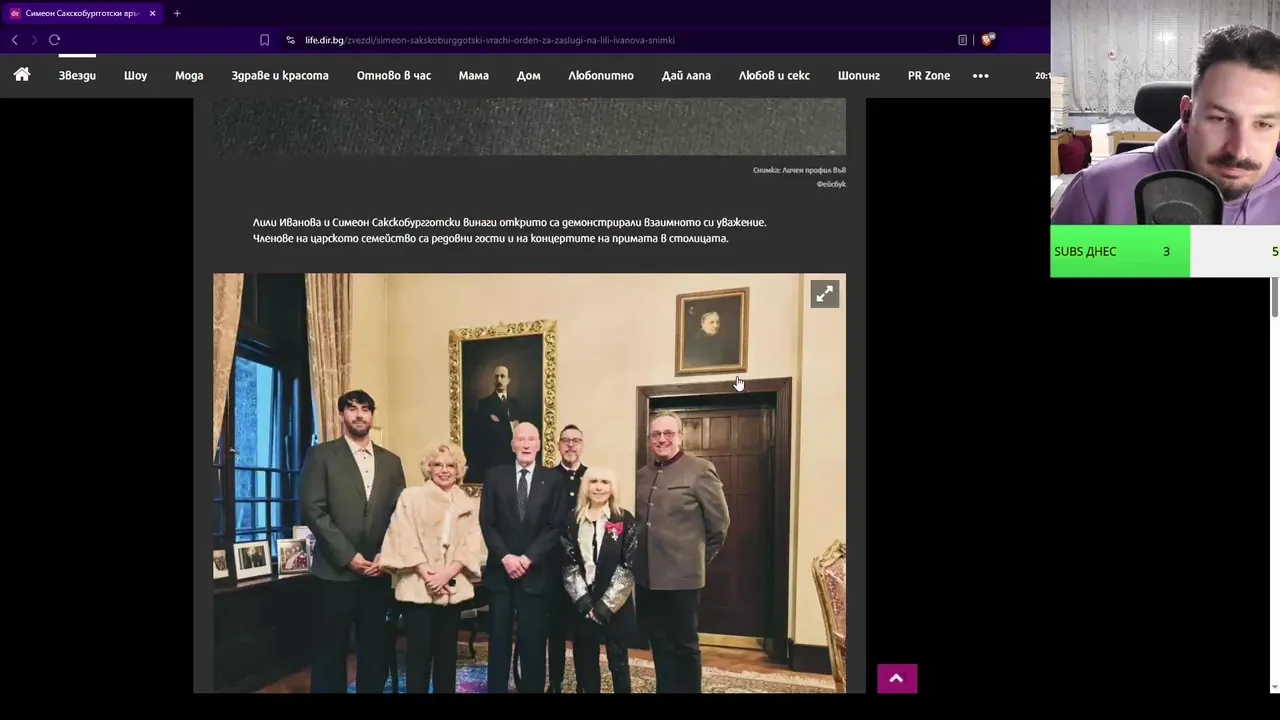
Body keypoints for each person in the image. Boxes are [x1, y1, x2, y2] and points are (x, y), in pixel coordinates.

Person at [1052, 24, 1280, 225]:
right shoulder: (1097, 190)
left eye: (1263, 124)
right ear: (1186, 114)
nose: (1239, 151)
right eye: (1220, 119)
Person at [299, 390, 408, 694]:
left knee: (375, 649)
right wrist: (348, 556)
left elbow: (400, 514)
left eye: (365, 409)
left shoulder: (392, 462)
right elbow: (313, 510)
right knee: (330, 650)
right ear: (341, 415)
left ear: (372, 415)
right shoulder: (320, 456)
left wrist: (385, 555)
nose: (359, 414)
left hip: (376, 572)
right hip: (334, 573)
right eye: (352, 409)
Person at [633, 411, 730, 694]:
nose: (662, 439)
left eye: (668, 433)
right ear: (649, 439)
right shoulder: (642, 474)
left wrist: (697, 558)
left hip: (682, 578)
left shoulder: (700, 469)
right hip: (648, 577)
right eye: (656, 434)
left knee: (684, 645)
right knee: (659, 642)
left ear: (680, 436)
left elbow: (719, 525)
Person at [379, 441, 486, 694]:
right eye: (438, 464)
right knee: (418, 656)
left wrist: (446, 575)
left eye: (451, 465)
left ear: (459, 470)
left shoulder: (466, 503)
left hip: (451, 587)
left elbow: (471, 545)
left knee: (447, 657)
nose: (444, 470)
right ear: (429, 468)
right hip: (418, 586)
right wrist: (427, 572)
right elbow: (402, 536)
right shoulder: (411, 497)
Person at [479, 422, 569, 693]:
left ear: (539, 445)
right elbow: (487, 522)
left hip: (537, 575)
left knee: (534, 642)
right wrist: (506, 557)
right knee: (498, 642)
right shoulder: (495, 476)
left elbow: (555, 525)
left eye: (531, 439)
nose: (526, 444)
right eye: (521, 439)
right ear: (513, 445)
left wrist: (528, 558)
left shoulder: (553, 480)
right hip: (501, 574)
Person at [559, 467, 637, 693]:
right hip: (583, 604)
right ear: (586, 486)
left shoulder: (624, 519)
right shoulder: (572, 520)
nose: (599, 487)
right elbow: (568, 564)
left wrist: (605, 606)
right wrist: (584, 603)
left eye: (605, 482)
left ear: (612, 488)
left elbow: (628, 566)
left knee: (618, 663)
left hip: (615, 606)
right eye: (593, 482)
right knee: (585, 662)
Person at [547, 424, 589, 693]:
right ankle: (556, 682)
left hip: (585, 568)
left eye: (576, 440)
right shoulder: (547, 478)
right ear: (558, 445)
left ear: (582, 445)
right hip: (554, 566)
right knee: (556, 629)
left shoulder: (592, 477)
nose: (571, 445)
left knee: (584, 629)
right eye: (566, 440)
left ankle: (585, 683)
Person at [474, 365, 525, 475]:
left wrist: (501, 424)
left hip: (514, 457)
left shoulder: (515, 403)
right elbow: (483, 432)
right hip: (494, 458)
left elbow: (522, 428)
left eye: (502, 376)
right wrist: (510, 425)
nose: (499, 380)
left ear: (508, 380)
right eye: (496, 377)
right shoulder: (485, 403)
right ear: (493, 380)